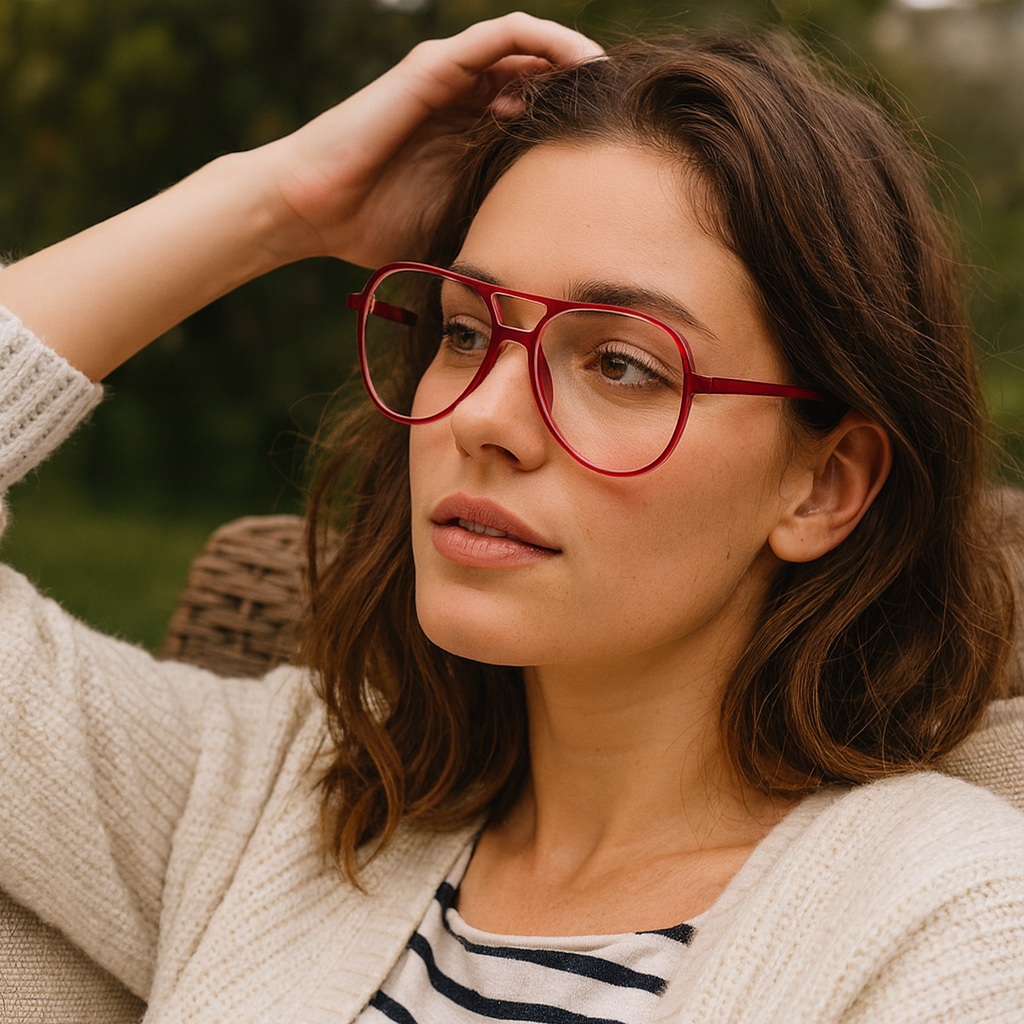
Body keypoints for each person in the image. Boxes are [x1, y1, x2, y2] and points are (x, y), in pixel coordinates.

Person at [0, 11, 1022, 1023]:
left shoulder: (947, 927)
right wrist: (274, 202)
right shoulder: (276, 797)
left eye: (619, 362)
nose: (481, 414)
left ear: (824, 484)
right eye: (462, 328)